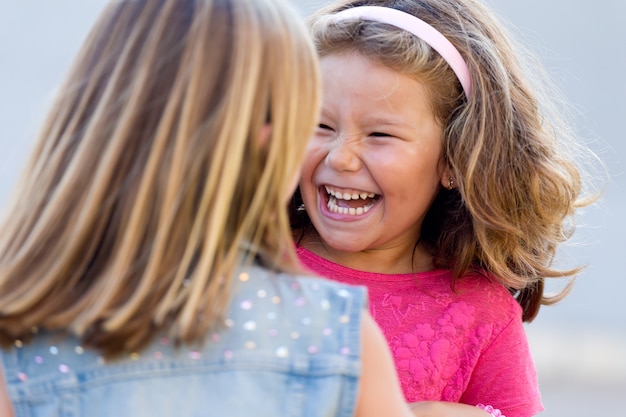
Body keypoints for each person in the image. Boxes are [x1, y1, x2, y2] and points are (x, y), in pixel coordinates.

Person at [0, 1, 489, 416]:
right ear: (265, 141)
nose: (335, 154)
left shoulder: (16, 338)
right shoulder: (335, 342)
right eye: (310, 121)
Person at [290, 1, 602, 417]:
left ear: (454, 159)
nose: (341, 158)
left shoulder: (481, 315)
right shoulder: (236, 269)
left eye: (381, 134)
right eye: (321, 125)